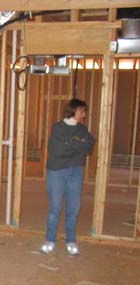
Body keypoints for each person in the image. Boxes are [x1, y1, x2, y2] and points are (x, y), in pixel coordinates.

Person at [40, 98, 95, 256]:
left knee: (73, 207)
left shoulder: (82, 130)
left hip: (75, 171)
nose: (84, 115)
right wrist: (77, 145)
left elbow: (89, 146)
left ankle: (71, 241)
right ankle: (50, 240)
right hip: (57, 171)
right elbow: (56, 150)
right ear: (75, 111)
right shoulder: (58, 128)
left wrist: (70, 144)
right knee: (55, 208)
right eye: (82, 111)